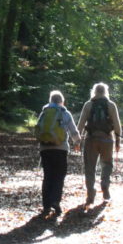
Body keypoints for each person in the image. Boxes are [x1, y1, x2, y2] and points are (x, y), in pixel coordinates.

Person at [35, 90, 81, 220]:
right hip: (60, 149)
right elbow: (73, 130)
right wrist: (77, 142)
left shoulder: (44, 112)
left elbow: (38, 128)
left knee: (47, 175)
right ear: (62, 101)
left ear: (50, 101)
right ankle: (55, 200)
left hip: (45, 149)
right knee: (59, 176)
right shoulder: (65, 113)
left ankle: (46, 205)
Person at [77, 82, 122, 207]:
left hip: (91, 139)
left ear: (94, 91)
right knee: (107, 164)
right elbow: (117, 125)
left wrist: (77, 140)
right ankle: (105, 187)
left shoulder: (88, 104)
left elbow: (80, 124)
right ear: (106, 92)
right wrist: (118, 141)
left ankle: (90, 194)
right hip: (107, 139)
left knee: (89, 167)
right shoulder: (111, 105)